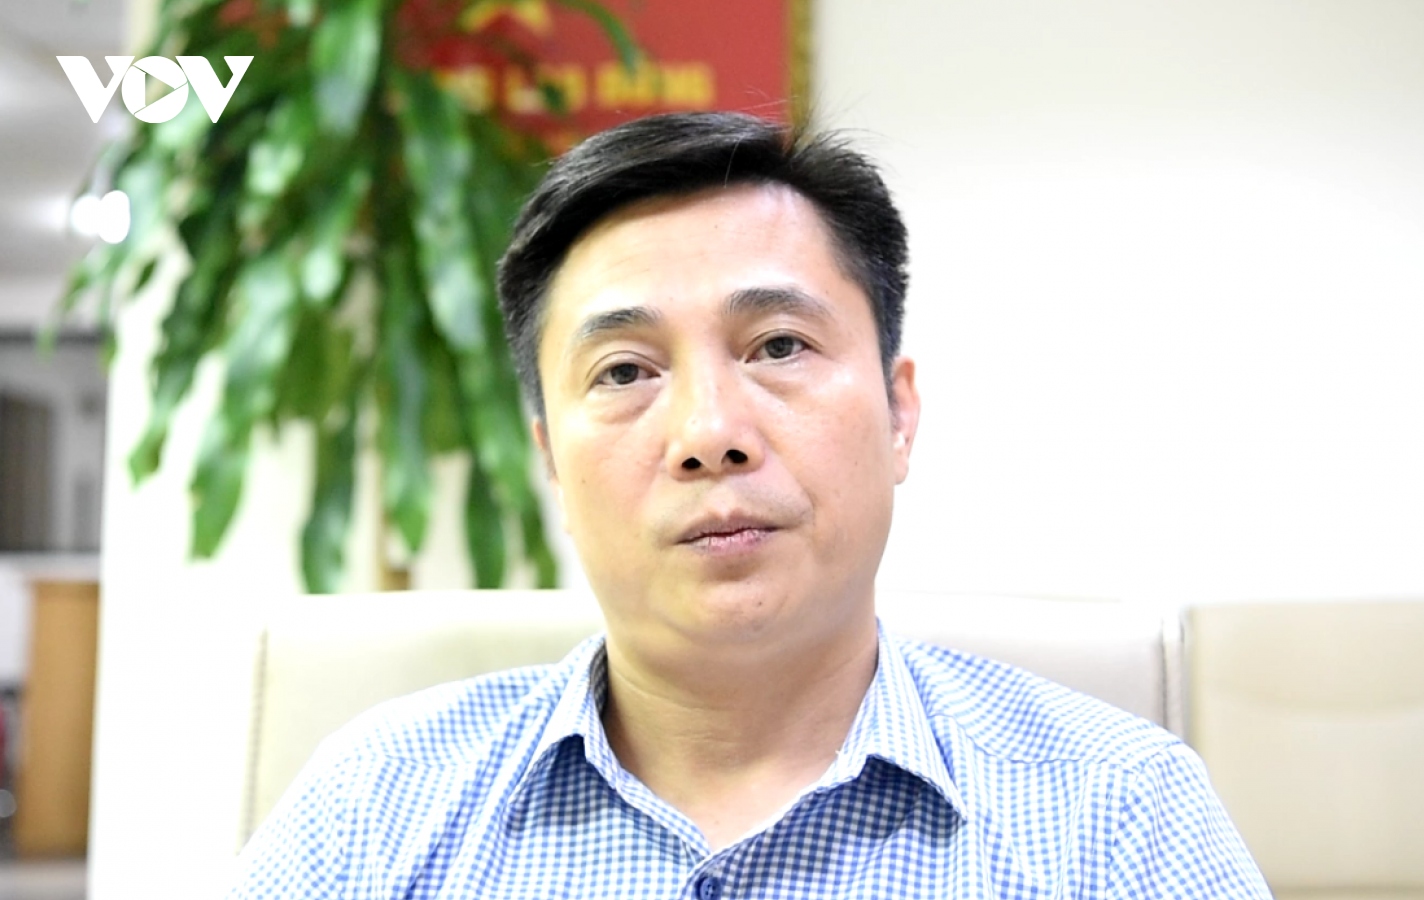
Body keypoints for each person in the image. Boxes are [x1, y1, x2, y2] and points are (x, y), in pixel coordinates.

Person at [230, 111, 1270, 899]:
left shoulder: (1117, 816)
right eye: (625, 371)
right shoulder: (374, 810)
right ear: (551, 461)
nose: (708, 432)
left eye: (778, 346)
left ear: (899, 415)